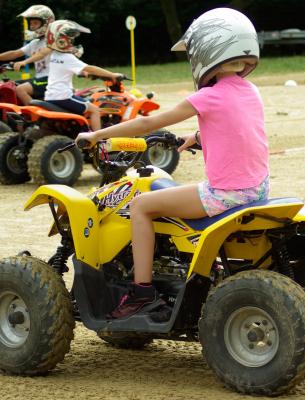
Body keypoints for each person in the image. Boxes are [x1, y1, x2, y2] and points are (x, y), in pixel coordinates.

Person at [75, 8, 270, 319]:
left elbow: (146, 124)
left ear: (207, 51)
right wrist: (197, 135)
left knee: (141, 206)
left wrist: (97, 134)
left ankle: (142, 293)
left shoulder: (207, 97)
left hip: (225, 194)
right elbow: (239, 127)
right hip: (257, 189)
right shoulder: (251, 91)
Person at [14, 20, 123, 131]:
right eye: (70, 38)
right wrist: (112, 74)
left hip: (50, 96)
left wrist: (83, 73)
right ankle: (97, 140)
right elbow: (90, 68)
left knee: (85, 101)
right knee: (94, 109)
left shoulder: (54, 55)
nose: (71, 41)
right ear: (61, 39)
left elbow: (73, 69)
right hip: (64, 97)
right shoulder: (67, 57)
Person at [0, 5, 55, 105]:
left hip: (52, 80)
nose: (32, 26)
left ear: (47, 23)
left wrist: (23, 62)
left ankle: (35, 118)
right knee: (8, 87)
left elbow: (41, 54)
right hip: (40, 80)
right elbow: (15, 53)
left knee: (21, 89)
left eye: (35, 23)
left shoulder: (53, 41)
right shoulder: (35, 43)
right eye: (31, 23)